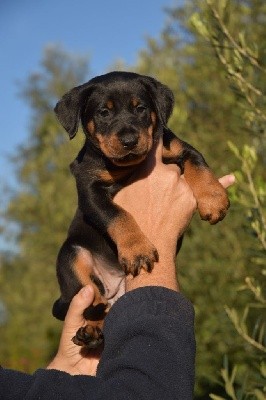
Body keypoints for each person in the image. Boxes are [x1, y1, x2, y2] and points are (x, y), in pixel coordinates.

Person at [0, 139, 234, 399]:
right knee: (73, 254)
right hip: (106, 258)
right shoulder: (91, 162)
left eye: (140, 110)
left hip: (116, 315)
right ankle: (96, 315)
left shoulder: (165, 140)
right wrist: (152, 253)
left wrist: (63, 373)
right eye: (104, 114)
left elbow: (190, 156)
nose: (127, 133)